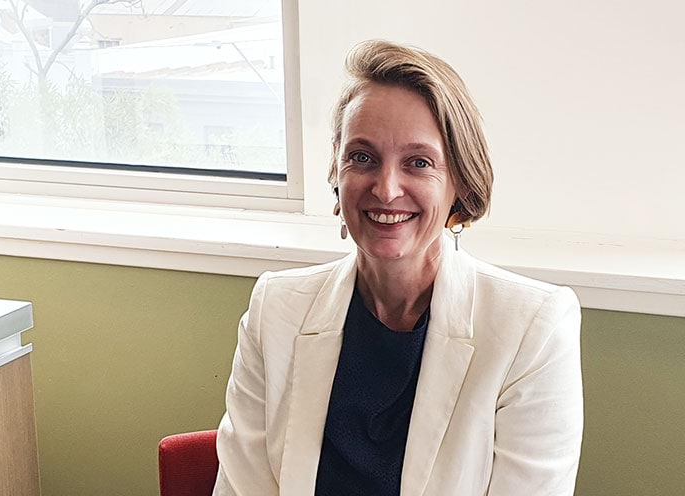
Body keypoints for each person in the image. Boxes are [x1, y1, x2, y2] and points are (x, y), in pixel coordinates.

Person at [212, 40, 583, 496]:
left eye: (418, 163)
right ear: (336, 169)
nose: (386, 190)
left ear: (460, 181)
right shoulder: (275, 309)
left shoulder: (532, 328)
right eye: (362, 157)